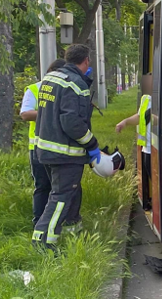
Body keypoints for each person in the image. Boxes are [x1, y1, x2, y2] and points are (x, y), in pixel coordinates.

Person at [33, 44, 99, 251]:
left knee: (63, 193)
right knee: (60, 197)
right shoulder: (76, 84)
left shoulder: (50, 79)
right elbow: (72, 122)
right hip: (65, 153)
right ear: (86, 61)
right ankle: (43, 241)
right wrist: (91, 144)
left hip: (44, 149)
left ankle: (72, 231)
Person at [20, 59, 67, 227]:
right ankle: (39, 224)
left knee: (60, 188)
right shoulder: (35, 89)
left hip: (60, 147)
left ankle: (57, 223)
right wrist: (48, 111)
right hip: (38, 147)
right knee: (43, 186)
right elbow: (25, 114)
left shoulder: (66, 89)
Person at [115, 74, 153, 210]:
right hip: (147, 148)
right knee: (153, 179)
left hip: (158, 148)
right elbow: (140, 117)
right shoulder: (146, 98)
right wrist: (124, 122)